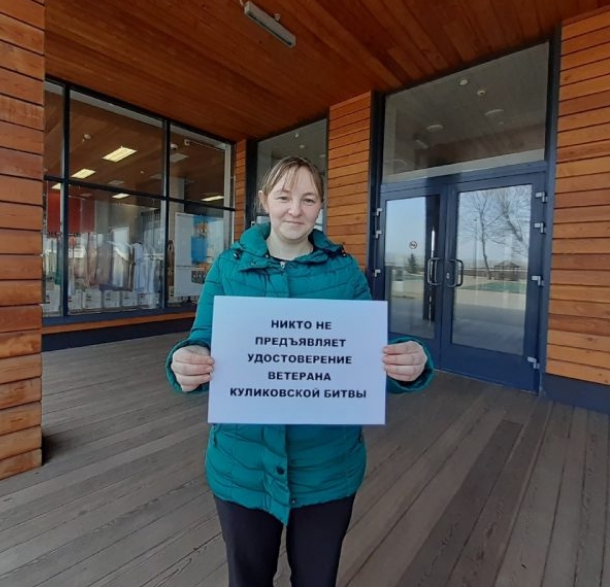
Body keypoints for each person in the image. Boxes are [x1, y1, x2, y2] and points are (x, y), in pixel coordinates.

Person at [166, 156, 435, 587]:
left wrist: (408, 366)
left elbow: (367, 358)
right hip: (243, 465)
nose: (295, 210)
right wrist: (187, 359)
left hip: (326, 468)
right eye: (284, 197)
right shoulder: (228, 267)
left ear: (320, 206)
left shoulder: (344, 271)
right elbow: (202, 339)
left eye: (309, 199)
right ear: (263, 201)